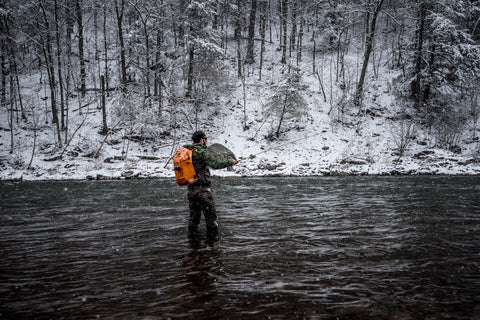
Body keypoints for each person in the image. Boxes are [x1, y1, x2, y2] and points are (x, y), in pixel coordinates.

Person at [183, 130, 238, 239]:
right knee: (211, 219)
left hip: (191, 190)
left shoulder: (186, 151)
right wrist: (230, 162)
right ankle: (212, 245)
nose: (206, 141)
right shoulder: (201, 152)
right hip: (203, 191)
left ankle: (193, 245)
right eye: (205, 139)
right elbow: (215, 164)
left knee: (194, 219)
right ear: (202, 140)